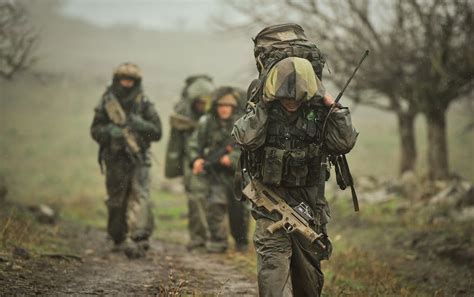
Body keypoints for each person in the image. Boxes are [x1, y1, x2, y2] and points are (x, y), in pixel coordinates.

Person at [232, 57, 358, 296]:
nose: (291, 101)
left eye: (297, 97)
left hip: (309, 208)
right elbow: (244, 139)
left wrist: (334, 107)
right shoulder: (263, 111)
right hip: (270, 204)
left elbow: (344, 143)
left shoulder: (319, 112)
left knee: (308, 283)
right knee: (273, 269)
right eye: (286, 96)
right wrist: (263, 106)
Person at [90, 62, 162, 259]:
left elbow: (157, 132)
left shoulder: (144, 103)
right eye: (124, 79)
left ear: (136, 82)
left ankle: (140, 236)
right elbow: (95, 130)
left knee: (141, 196)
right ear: (117, 80)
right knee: (116, 199)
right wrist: (111, 132)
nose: (127, 83)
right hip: (114, 159)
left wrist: (141, 125)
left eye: (131, 80)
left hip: (139, 158)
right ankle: (117, 237)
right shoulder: (107, 102)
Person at [189, 87, 250, 253]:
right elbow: (194, 144)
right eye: (221, 105)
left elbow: (249, 148)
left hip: (237, 175)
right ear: (216, 107)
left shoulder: (243, 123)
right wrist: (197, 159)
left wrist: (231, 159)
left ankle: (241, 243)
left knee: (239, 211)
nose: (224, 109)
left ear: (233, 107)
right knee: (215, 205)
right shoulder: (207, 122)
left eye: (228, 105)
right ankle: (218, 241)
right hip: (215, 173)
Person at [164, 75, 214, 251]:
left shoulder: (215, 117)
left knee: (214, 200)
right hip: (190, 162)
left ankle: (215, 238)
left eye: (205, 102)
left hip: (213, 161)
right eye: (199, 103)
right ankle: (198, 238)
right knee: (196, 198)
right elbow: (175, 144)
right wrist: (176, 167)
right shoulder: (183, 115)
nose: (202, 106)